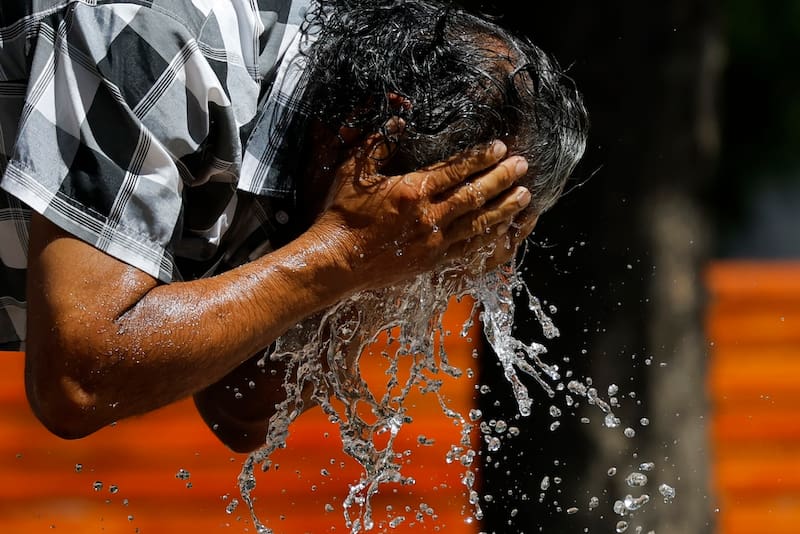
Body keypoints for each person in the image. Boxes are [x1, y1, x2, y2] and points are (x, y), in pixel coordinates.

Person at [0, 0, 587, 452]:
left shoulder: (321, 135)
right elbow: (79, 379)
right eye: (451, 221)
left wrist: (373, 273)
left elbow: (243, 411)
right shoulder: (159, 36)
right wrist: (346, 254)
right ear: (363, 138)